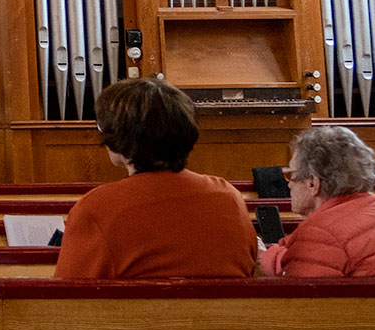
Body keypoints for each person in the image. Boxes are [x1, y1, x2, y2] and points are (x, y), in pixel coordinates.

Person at [54, 76, 256, 280]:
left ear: (118, 138)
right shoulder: (229, 198)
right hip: (226, 313)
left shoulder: (96, 209)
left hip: (135, 313)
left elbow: (67, 299)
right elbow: (250, 271)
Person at [260, 125, 375, 278]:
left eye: (291, 175)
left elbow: (303, 300)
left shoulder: (322, 231)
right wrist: (273, 256)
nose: (289, 184)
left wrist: (262, 258)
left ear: (313, 183)